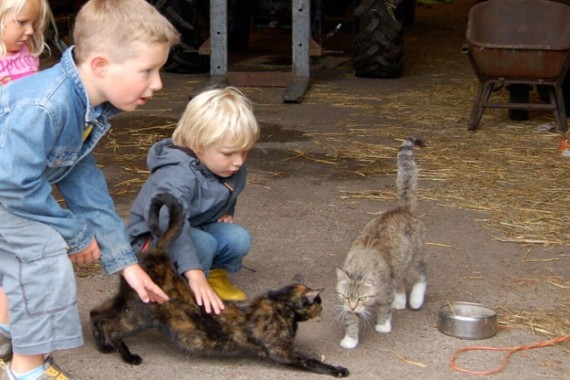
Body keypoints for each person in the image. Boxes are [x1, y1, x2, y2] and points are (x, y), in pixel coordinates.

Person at [0, 0, 180, 379]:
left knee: (27, 250)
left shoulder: (86, 108)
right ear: (100, 65)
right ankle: (26, 369)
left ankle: (8, 334)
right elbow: (15, 186)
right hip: (6, 189)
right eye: (147, 70)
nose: (158, 83)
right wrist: (75, 233)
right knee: (43, 251)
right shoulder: (46, 106)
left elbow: (86, 188)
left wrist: (125, 264)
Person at [128, 86, 260, 315]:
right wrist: (195, 273)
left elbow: (229, 190)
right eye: (229, 153)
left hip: (194, 225)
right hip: (153, 238)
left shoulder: (227, 165)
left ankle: (214, 276)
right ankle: (185, 291)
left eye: (245, 152)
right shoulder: (176, 174)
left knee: (237, 237)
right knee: (204, 244)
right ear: (198, 145)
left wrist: (226, 211)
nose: (238, 162)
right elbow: (169, 224)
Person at [0, 0, 51, 369]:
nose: (31, 32)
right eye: (22, 23)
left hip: (20, 172)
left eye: (34, 24)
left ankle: (11, 333)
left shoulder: (26, 61)